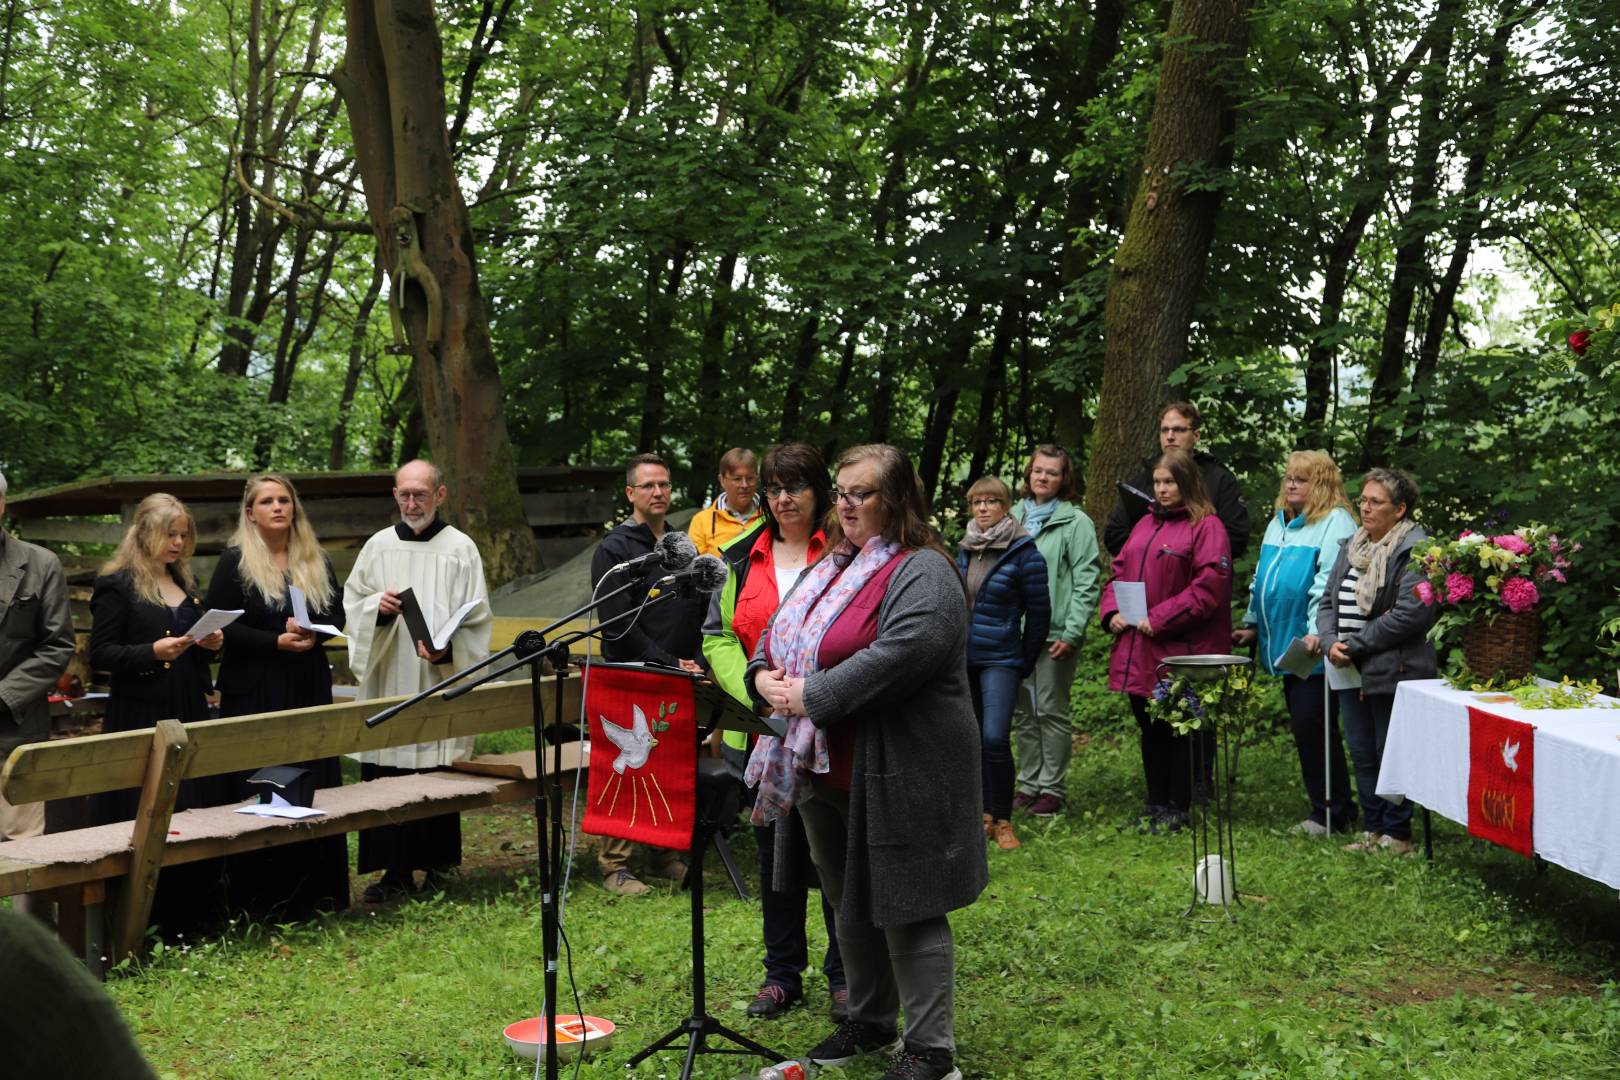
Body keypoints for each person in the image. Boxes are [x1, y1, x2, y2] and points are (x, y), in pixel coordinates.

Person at [749, 443, 984, 1080]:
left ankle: (931, 1048)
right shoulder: (834, 564)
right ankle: (873, 1019)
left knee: (910, 899)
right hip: (823, 764)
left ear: (898, 500)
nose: (844, 505)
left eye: (860, 494)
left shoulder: (924, 570)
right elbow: (779, 631)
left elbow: (906, 651)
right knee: (844, 896)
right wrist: (761, 677)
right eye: (842, 493)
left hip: (903, 763)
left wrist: (811, 694)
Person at [702, 442, 847, 1021]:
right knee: (774, 858)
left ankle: (845, 974)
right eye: (775, 488)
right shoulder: (736, 556)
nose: (784, 499)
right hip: (757, 731)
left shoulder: (845, 553)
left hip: (830, 726)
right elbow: (716, 638)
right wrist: (755, 689)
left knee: (835, 854)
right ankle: (782, 975)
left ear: (819, 493)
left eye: (797, 488)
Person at [204, 473, 350, 920]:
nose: (277, 507)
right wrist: (274, 641)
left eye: (284, 500)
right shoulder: (235, 562)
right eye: (266, 501)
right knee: (262, 781)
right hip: (255, 687)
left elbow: (336, 613)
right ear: (250, 512)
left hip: (306, 682)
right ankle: (259, 898)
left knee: (312, 777)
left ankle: (317, 892)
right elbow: (223, 623)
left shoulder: (315, 557)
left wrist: (311, 635)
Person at [344, 460, 492, 901]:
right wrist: (377, 609)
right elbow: (352, 606)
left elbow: (477, 617)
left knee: (436, 769)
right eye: (404, 495)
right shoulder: (377, 546)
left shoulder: (460, 548)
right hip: (388, 677)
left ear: (440, 495)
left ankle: (440, 866)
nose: (412, 503)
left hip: (435, 680)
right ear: (395, 495)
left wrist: (449, 651)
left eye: (421, 495)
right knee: (387, 769)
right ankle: (394, 872)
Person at [89, 494, 229, 933]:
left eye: (184, 535)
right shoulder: (118, 584)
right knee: (146, 812)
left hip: (187, 707)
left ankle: (193, 914)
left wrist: (212, 644)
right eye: (170, 534)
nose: (178, 543)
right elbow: (101, 654)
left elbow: (192, 647)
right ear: (145, 532)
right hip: (140, 713)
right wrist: (151, 651)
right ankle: (144, 917)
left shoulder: (183, 581)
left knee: (191, 808)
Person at [1099, 449, 1233, 833]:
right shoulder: (1144, 525)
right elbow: (1118, 571)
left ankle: (1181, 805)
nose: (1161, 489)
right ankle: (1156, 803)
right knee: (1149, 726)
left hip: (1181, 650)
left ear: (1187, 482)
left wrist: (1158, 619)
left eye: (1169, 482)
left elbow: (1209, 589)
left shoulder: (1207, 527)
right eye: (1157, 482)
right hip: (1139, 647)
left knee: (1179, 728)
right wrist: (1112, 612)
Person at [589, 453, 704, 895]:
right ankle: (615, 865)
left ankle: (663, 854)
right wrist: (664, 660)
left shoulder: (680, 544)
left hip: (677, 674)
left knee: (668, 766)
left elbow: (695, 607)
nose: (659, 492)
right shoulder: (615, 550)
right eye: (649, 485)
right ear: (631, 493)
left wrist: (692, 657)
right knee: (627, 766)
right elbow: (615, 622)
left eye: (665, 485)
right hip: (631, 674)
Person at [1232, 451, 1360, 836]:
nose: (1290, 485)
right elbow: (1262, 578)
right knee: (1307, 727)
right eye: (1288, 477)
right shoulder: (1279, 523)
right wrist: (1252, 623)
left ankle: (1331, 812)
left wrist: (1315, 632)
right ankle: (1333, 805)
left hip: (1314, 646)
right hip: (1285, 645)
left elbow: (1329, 583)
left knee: (1314, 726)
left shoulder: (1336, 521)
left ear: (1320, 484)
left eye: (1301, 479)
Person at [1316, 467, 1437, 856]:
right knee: (1363, 751)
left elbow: (1410, 614)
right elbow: (1328, 601)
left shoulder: (1416, 549)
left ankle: (1398, 834)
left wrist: (1355, 645)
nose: (1365, 508)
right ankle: (1372, 830)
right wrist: (1332, 641)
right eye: (1363, 500)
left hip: (1394, 668)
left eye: (1376, 502)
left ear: (1399, 509)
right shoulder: (1352, 545)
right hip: (1347, 666)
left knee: (1391, 752)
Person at [956, 476, 1050, 851]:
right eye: (977, 502)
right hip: (966, 659)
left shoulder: (1024, 551)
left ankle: (1005, 818)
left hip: (1002, 660)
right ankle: (983, 816)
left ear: (1006, 506)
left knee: (995, 736)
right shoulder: (965, 548)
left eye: (992, 501)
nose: (983, 508)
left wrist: (1022, 660)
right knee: (974, 738)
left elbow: (1040, 615)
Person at [1009, 445, 1101, 818]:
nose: (1043, 477)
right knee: (1023, 712)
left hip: (1054, 633)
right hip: (1013, 633)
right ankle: (1028, 783)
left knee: (1049, 709)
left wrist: (1074, 630)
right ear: (1029, 474)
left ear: (1065, 480)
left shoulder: (1075, 523)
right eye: (1038, 470)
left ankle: (1052, 788)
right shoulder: (1011, 516)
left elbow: (1087, 580)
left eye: (1052, 472)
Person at [0, 468, 74, 919]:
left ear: (2, 503)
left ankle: (27, 961)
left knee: (23, 845)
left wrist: (3, 694)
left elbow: (57, 646)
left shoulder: (40, 564)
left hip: (15, 730)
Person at [1103, 401, 1250, 559]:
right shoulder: (1144, 479)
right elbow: (1113, 535)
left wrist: (1179, 553)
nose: (1170, 436)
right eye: (1165, 430)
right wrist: (1152, 552)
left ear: (1196, 435)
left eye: (1178, 430)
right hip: (1147, 576)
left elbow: (1236, 539)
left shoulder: (1219, 480)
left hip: (1197, 575)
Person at [688, 447, 765, 557]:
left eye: (750, 478)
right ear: (722, 480)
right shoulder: (701, 521)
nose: (744, 485)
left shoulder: (771, 516)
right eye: (737, 479)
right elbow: (696, 567)